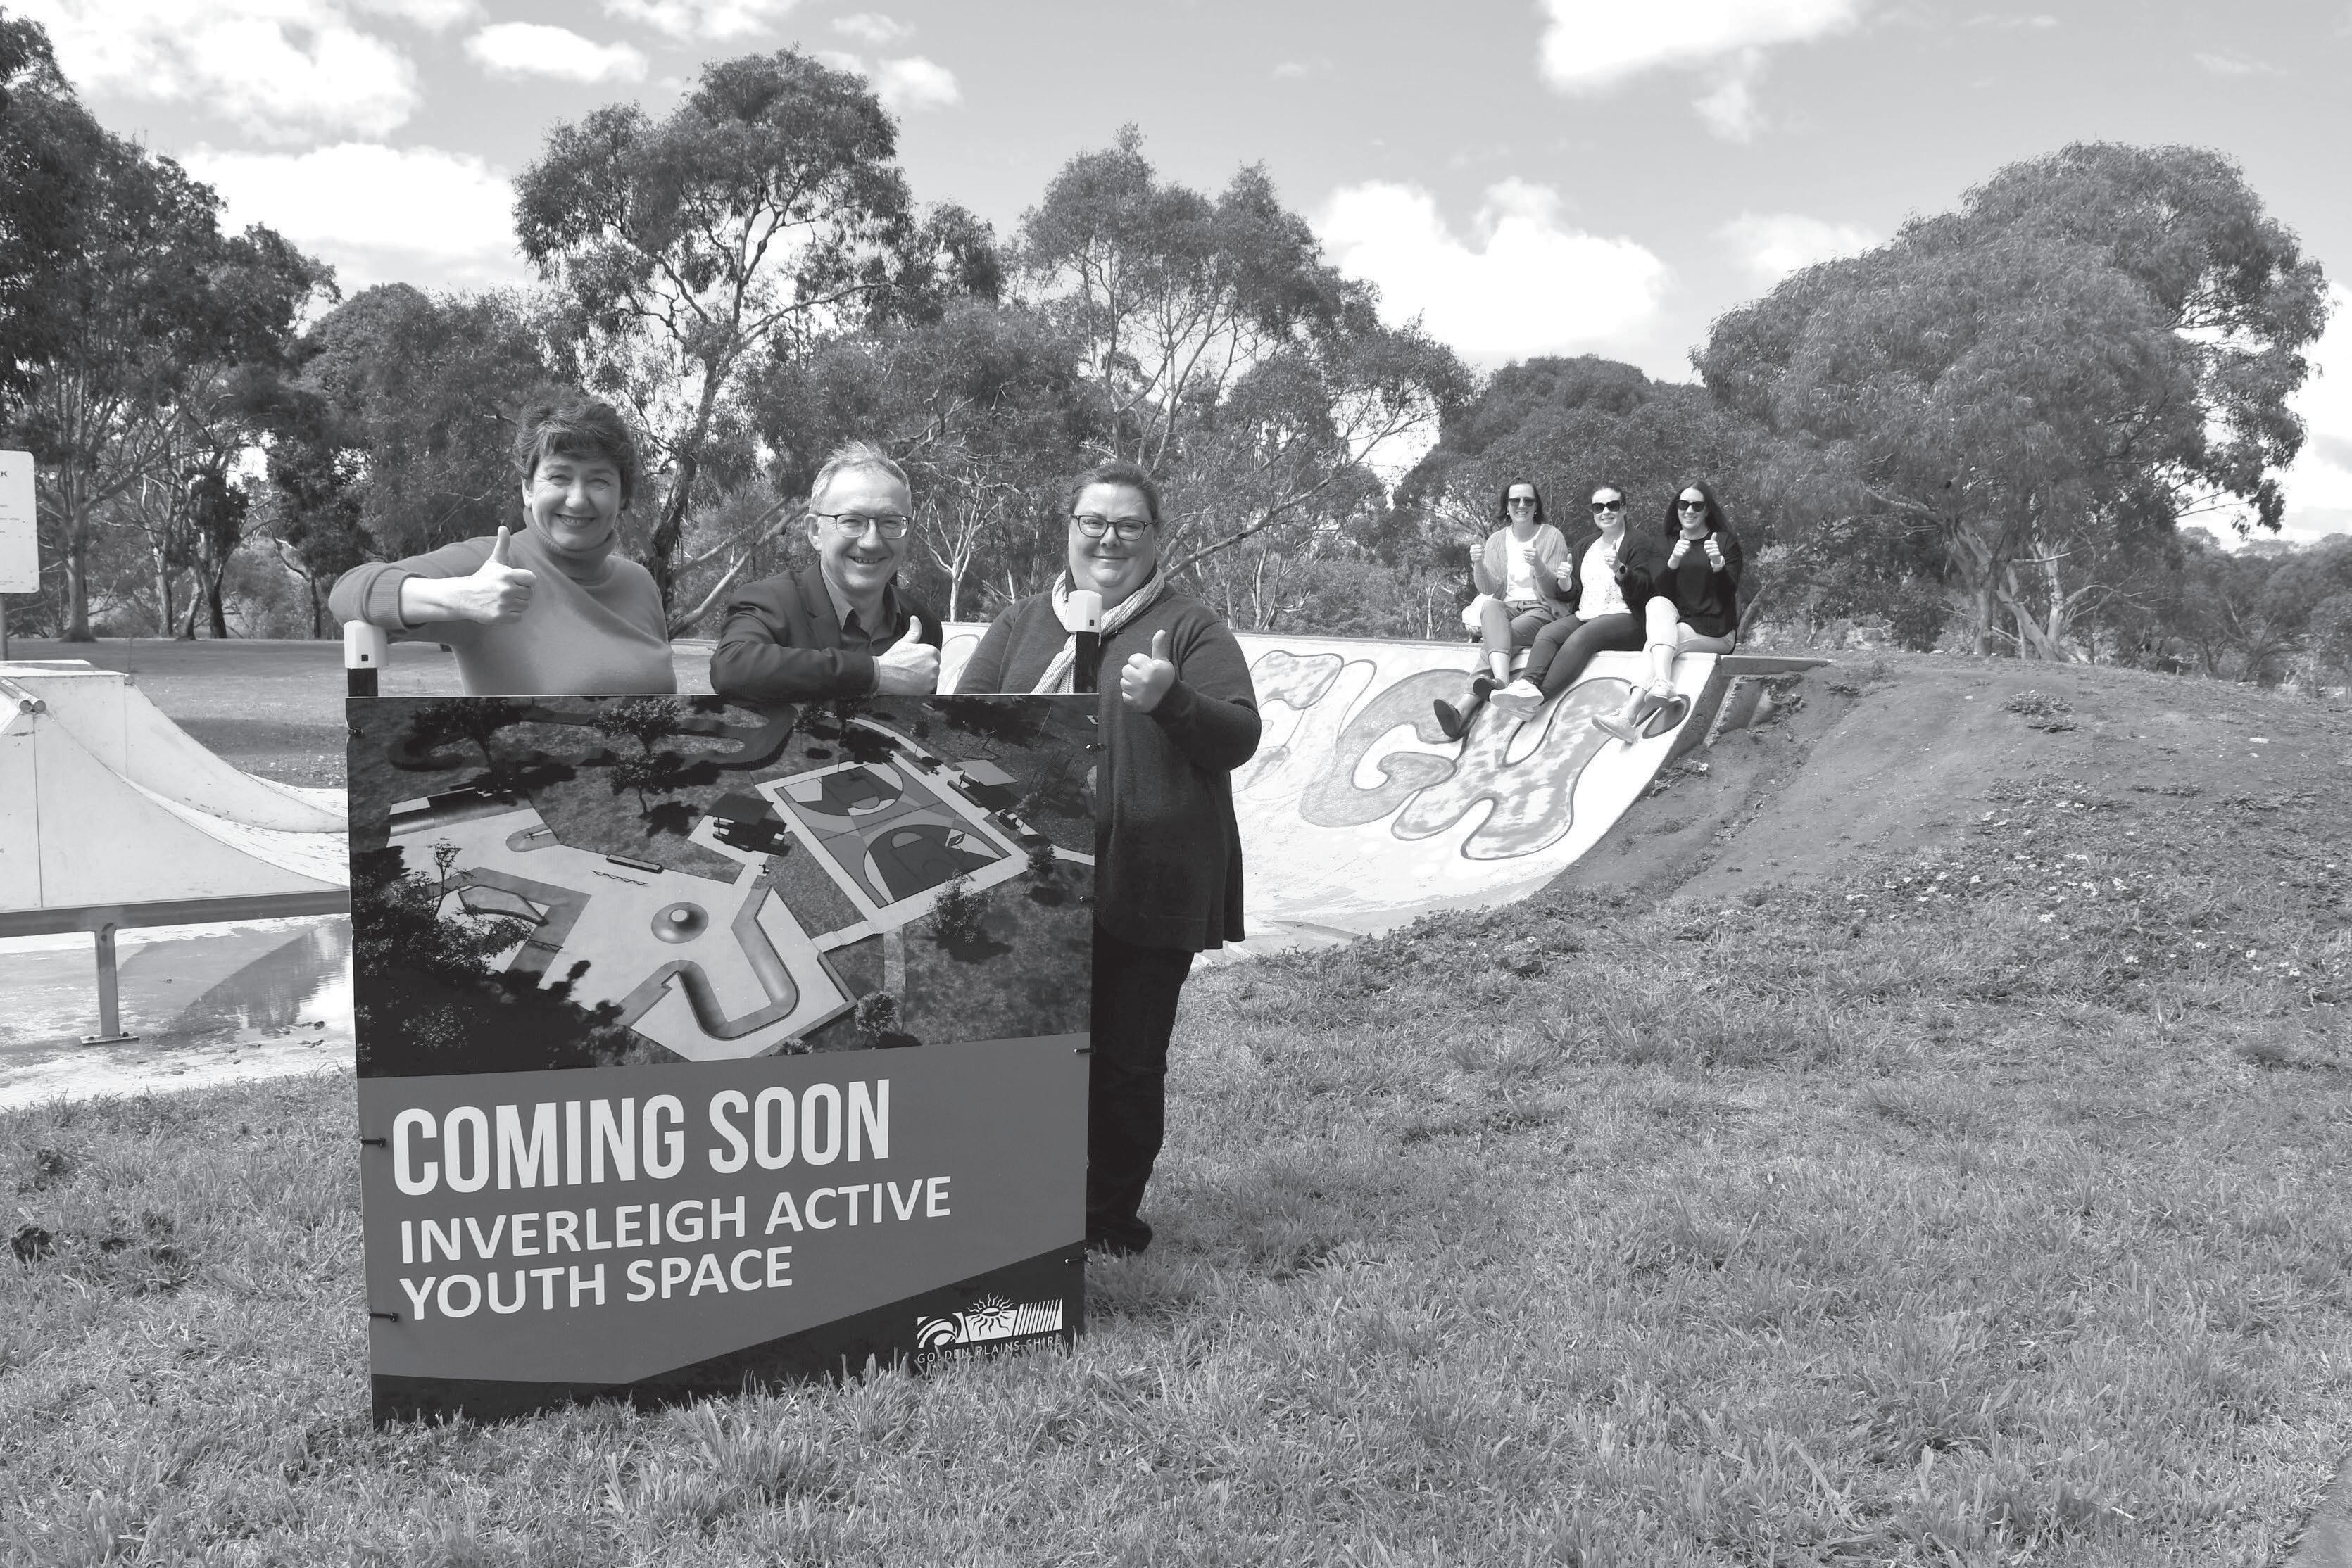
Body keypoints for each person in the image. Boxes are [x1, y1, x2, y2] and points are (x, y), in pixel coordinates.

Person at [952, 460, 1259, 1257]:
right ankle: (1022, 1205)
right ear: (1069, 529)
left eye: (1129, 524)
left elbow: (1238, 735)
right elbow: (959, 726)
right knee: (1027, 1056)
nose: (1109, 539)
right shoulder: (1021, 624)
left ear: (1155, 537)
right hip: (1033, 880)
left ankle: (1107, 1224)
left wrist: (1171, 698)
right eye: (1093, 521)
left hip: (1150, 879)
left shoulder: (1187, 627)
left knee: (1126, 1064)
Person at [328, 396, 674, 695]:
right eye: (559, 477)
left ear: (623, 496)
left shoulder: (639, 583)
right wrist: (461, 597)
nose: (577, 499)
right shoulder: (494, 568)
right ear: (528, 488)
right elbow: (348, 593)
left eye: (599, 480)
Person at [707, 441, 942, 705]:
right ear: (815, 531)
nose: (872, 542)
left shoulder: (921, 623)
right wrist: (876, 673)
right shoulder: (772, 603)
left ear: (907, 532)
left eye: (890, 522)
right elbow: (732, 667)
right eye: (851, 521)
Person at [1478, 483, 1647, 725]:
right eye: (1599, 507)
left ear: (1624, 509)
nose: (1606, 512)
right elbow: (1572, 594)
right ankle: (1526, 685)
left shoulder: (1639, 542)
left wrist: (1620, 569)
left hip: (1626, 616)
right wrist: (1566, 583)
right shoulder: (1586, 546)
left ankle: (1537, 699)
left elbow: (1648, 587)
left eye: (1613, 506)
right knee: (1548, 633)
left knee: (1580, 638)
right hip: (1586, 614)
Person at [1592, 481, 1744, 745]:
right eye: (1683, 504)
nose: (1689, 510)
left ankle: (1629, 714)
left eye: (1697, 505)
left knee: (1659, 644)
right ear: (1676, 508)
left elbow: (1728, 594)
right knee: (1656, 605)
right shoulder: (1664, 543)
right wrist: (1673, 561)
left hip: (1716, 631)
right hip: (1675, 625)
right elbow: (1658, 591)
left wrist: (1718, 565)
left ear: (1708, 510)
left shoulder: (1724, 542)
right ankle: (1662, 683)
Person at [1432, 479, 1573, 740]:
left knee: (1499, 638)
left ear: (1536, 506)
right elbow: (1492, 590)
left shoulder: (1552, 536)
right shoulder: (1497, 540)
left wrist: (1539, 565)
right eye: (1515, 500)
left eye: (1528, 500)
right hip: (1506, 607)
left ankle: (1462, 709)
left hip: (1542, 609)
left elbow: (1556, 591)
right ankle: (1501, 681)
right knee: (1490, 606)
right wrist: (1478, 566)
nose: (1521, 505)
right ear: (1506, 507)